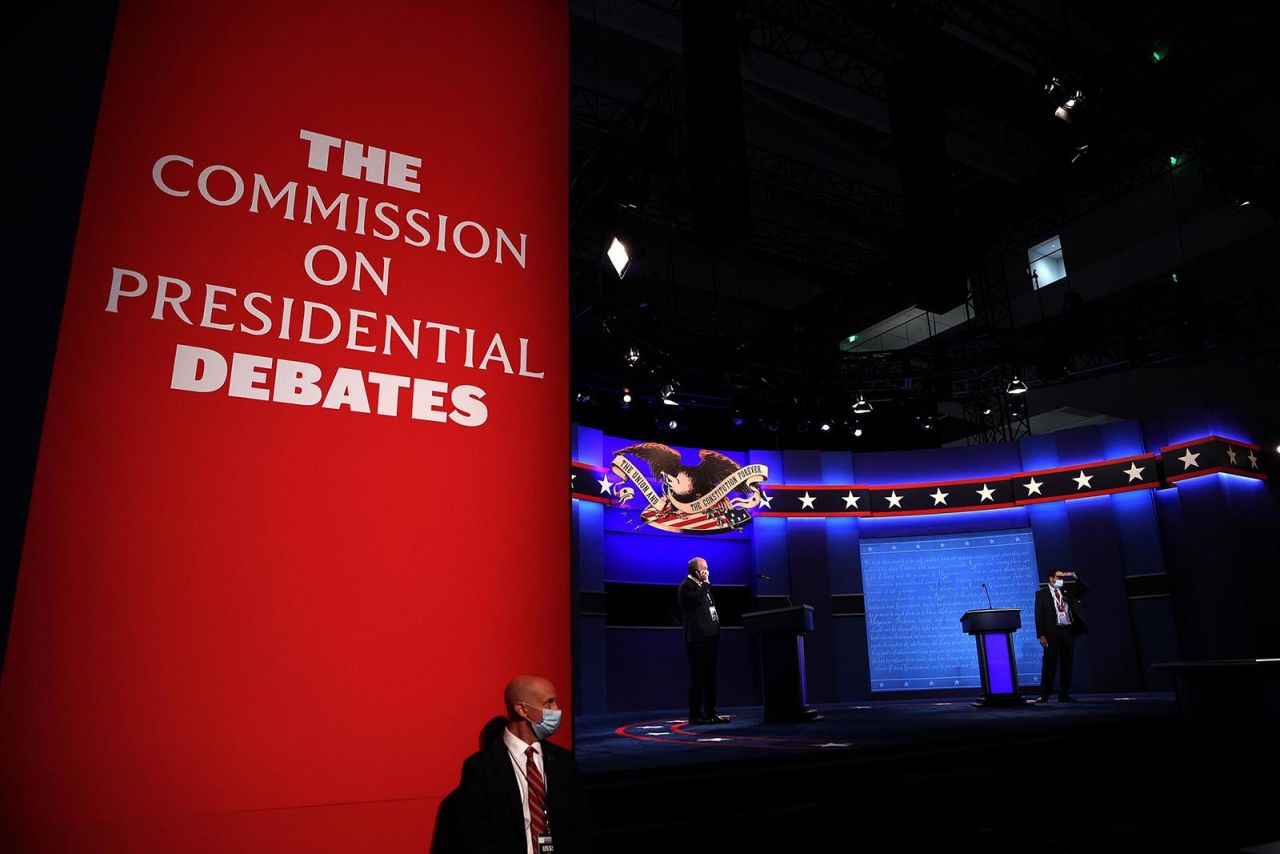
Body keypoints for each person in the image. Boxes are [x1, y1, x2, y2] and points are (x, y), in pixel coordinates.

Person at [459, 675, 592, 854]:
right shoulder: (480, 768)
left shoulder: (564, 761)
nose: (557, 710)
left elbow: (580, 828)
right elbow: (476, 838)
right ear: (522, 709)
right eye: (549, 703)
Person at [678, 556, 728, 724]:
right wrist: (706, 583)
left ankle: (710, 713)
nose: (707, 571)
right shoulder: (687, 586)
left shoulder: (702, 586)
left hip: (711, 638)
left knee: (710, 677)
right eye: (704, 568)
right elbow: (698, 601)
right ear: (696, 571)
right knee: (698, 677)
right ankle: (695, 715)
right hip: (698, 639)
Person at [1034, 568, 1090, 703]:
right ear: (1051, 579)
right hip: (1052, 633)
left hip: (1068, 631)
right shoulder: (1042, 594)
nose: (1062, 580)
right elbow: (1038, 615)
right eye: (1059, 577)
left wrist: (1075, 576)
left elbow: (1084, 589)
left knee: (1067, 664)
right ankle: (1044, 695)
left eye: (1063, 577)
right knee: (1049, 664)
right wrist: (1041, 635)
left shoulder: (1066, 591)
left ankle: (1064, 694)